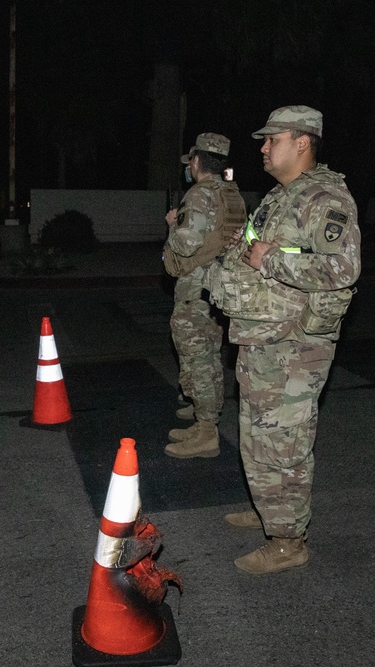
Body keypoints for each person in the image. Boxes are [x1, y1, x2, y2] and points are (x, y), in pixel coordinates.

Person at [208, 106, 360, 574]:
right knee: (256, 435)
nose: (263, 146)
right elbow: (257, 246)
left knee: (285, 442)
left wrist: (269, 260)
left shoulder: (325, 200)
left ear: (302, 142)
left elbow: (342, 270)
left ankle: (288, 541)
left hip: (296, 348)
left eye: (273, 138)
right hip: (263, 338)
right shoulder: (281, 196)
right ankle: (269, 509)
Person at [161, 133, 247, 459]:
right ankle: (204, 418)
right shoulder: (233, 195)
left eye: (190, 162)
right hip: (220, 287)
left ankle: (207, 432)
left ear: (196, 161)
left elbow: (185, 244)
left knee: (198, 358)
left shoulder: (199, 196)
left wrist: (172, 225)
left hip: (196, 288)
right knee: (210, 355)